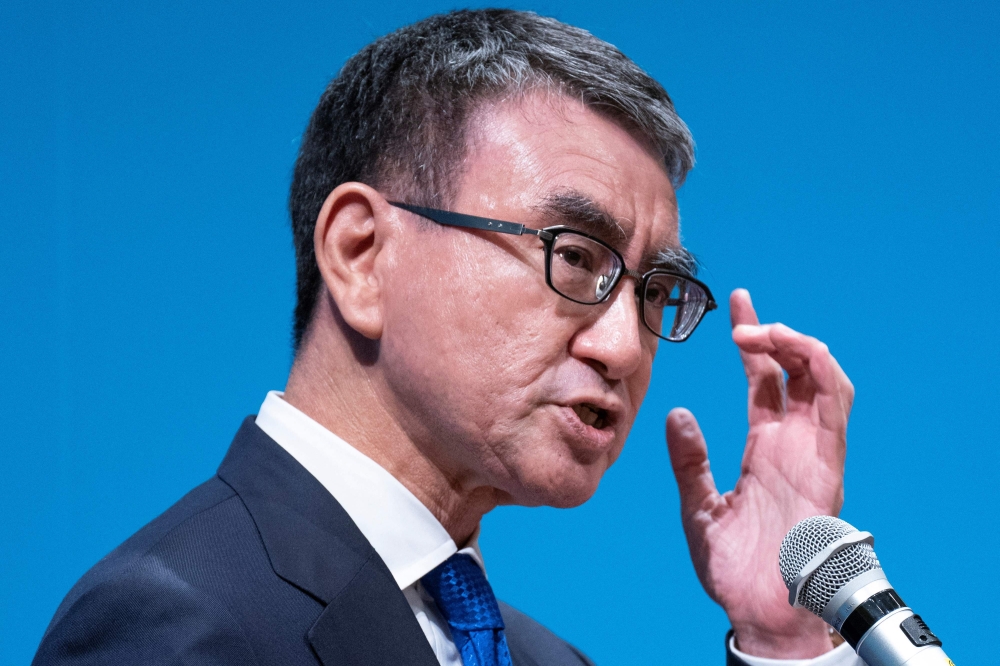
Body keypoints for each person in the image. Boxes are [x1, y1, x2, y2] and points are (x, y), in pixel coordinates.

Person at [32, 9, 861, 666]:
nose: (621, 347)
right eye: (573, 257)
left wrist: (783, 640)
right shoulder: (177, 624)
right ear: (361, 256)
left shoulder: (549, 659)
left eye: (652, 291)